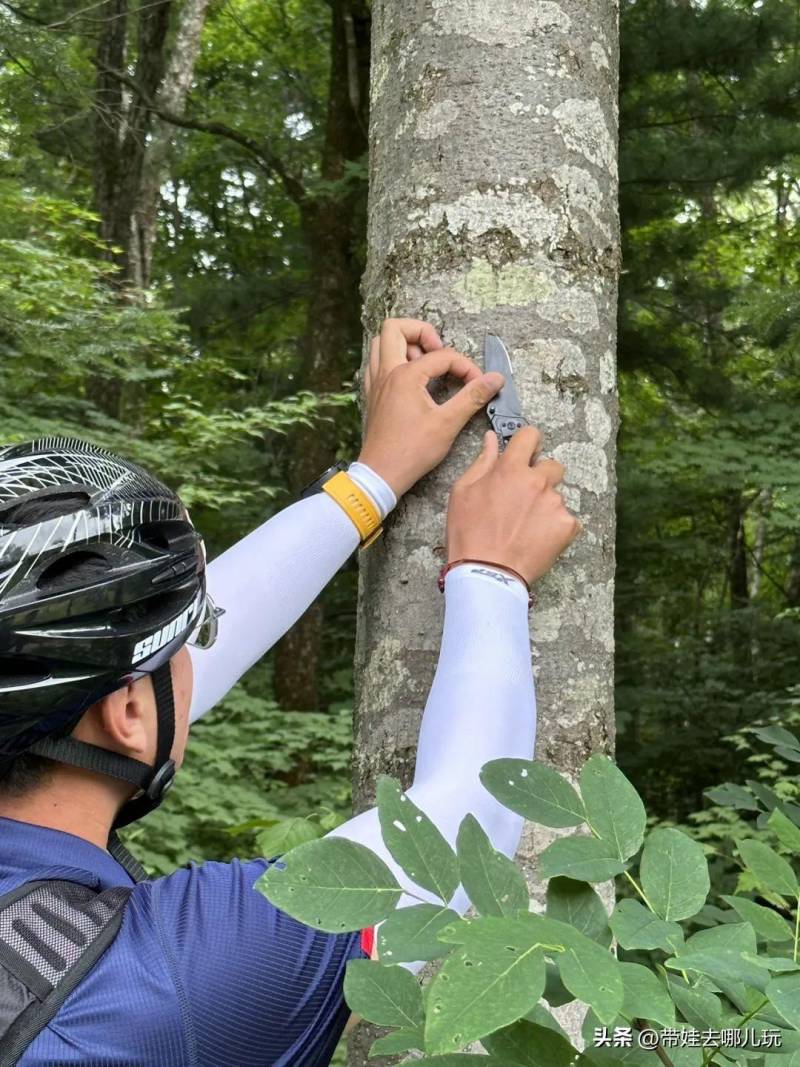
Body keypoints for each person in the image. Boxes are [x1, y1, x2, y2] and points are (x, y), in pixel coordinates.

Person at [0, 319, 579, 1066]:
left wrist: (371, 481)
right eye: (188, 640)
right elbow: (470, 822)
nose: (202, 648)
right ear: (131, 713)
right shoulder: (172, 981)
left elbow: (125, 687)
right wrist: (492, 573)